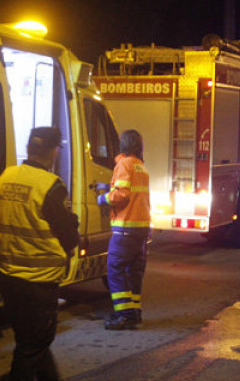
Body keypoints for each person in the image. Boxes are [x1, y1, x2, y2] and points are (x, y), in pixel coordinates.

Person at [0, 126, 80, 381]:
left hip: (6, 275)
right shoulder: (50, 185)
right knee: (34, 343)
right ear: (53, 152)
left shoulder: (6, 176)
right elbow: (69, 236)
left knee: (29, 338)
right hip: (37, 280)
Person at [96, 130, 151, 330]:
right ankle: (134, 312)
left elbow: (121, 196)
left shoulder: (124, 164)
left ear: (123, 145)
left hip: (126, 229)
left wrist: (102, 198)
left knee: (115, 268)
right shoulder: (141, 167)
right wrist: (109, 185)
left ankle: (124, 315)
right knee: (134, 272)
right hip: (141, 229)